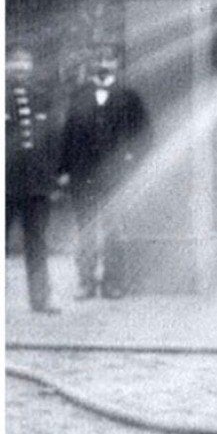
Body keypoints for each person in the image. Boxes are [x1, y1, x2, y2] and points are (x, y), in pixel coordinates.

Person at [58, 46, 150, 299]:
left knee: (114, 229)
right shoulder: (79, 94)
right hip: (83, 175)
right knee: (85, 230)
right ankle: (86, 282)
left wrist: (131, 160)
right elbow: (68, 134)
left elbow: (144, 133)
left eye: (108, 60)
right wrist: (63, 170)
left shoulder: (128, 95)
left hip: (116, 175)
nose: (103, 65)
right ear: (92, 64)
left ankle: (112, 283)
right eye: (98, 60)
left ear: (117, 63)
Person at [5, 43, 59, 313]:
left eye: (25, 61)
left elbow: (52, 140)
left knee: (37, 242)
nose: (20, 66)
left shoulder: (41, 98)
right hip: (6, 183)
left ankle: (41, 299)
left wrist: (53, 176)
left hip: (36, 184)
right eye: (14, 60)